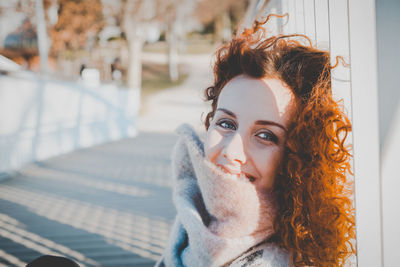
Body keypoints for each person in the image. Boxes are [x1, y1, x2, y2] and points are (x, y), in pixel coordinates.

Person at [156, 15, 355, 267]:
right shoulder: (193, 211)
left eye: (265, 136)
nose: (231, 151)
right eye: (226, 124)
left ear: (297, 155)